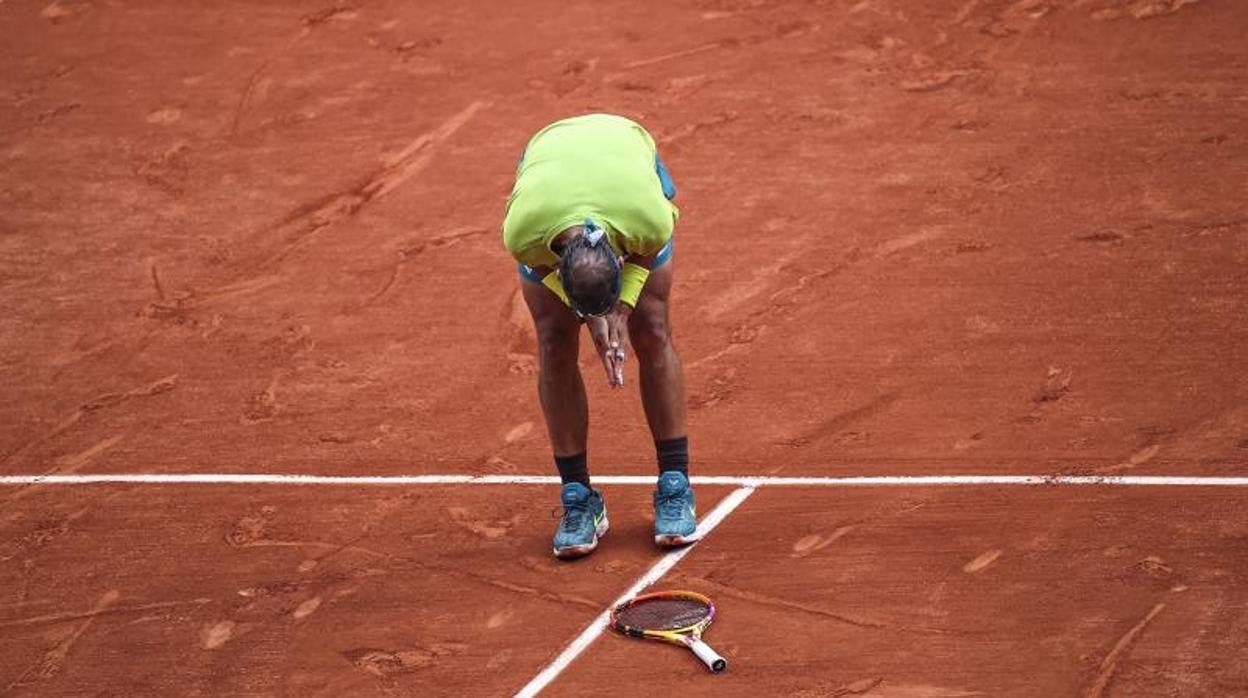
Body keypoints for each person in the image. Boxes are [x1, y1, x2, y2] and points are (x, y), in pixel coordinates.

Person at [502, 113, 697, 559]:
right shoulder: (525, 233)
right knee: (553, 339)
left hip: (623, 151)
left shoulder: (645, 219)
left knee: (651, 328)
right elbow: (557, 286)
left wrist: (621, 311)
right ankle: (577, 496)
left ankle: (675, 483)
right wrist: (593, 319)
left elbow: (646, 258)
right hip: (550, 158)